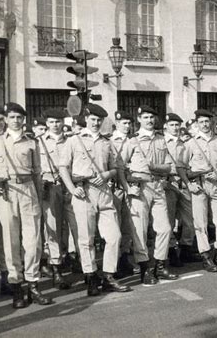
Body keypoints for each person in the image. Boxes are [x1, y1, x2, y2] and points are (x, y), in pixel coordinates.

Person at [59, 104, 131, 295]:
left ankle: (108, 276)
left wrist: (107, 174)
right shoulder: (74, 141)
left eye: (99, 120)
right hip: (84, 192)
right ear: (86, 119)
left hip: (104, 192)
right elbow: (63, 167)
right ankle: (91, 277)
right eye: (93, 119)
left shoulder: (107, 142)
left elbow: (116, 167)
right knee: (86, 239)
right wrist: (72, 189)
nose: (96, 123)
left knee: (114, 236)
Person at [0, 102, 52, 308]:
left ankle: (33, 284)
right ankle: (17, 287)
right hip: (7, 193)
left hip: (28, 190)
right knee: (10, 243)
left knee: (33, 242)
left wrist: (38, 197)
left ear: (24, 120)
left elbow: (37, 172)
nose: (16, 121)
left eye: (19, 117)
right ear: (6, 119)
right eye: (12, 117)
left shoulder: (32, 142)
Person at [123, 105, 179, 285]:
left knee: (164, 228)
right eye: (145, 117)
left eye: (151, 117)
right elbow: (119, 166)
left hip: (158, 186)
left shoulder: (161, 140)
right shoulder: (132, 141)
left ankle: (160, 265)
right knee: (139, 229)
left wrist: (157, 169)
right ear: (139, 119)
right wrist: (127, 185)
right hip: (140, 187)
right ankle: (145, 268)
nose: (149, 120)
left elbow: (170, 165)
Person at [184, 109, 217, 271]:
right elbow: (181, 166)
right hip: (199, 185)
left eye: (207, 122)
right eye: (201, 122)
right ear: (196, 124)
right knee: (201, 223)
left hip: (216, 185)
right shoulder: (190, 143)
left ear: (212, 123)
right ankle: (206, 256)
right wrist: (188, 183)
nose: (205, 125)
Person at [38, 108, 79, 290]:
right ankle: (56, 269)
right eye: (52, 122)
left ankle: (80, 261)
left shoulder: (72, 141)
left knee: (76, 225)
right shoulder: (38, 142)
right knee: (52, 228)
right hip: (50, 186)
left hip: (70, 186)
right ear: (46, 123)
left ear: (64, 122)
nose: (55, 125)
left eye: (58, 121)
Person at [163, 113, 200, 264]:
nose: (175, 128)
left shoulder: (184, 142)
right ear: (165, 126)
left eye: (177, 125)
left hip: (184, 183)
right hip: (169, 183)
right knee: (169, 220)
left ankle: (186, 248)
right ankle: (171, 251)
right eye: (172, 125)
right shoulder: (161, 142)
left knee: (189, 219)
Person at [110, 111, 135, 278]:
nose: (126, 126)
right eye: (123, 123)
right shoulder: (110, 141)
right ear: (117, 124)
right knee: (115, 224)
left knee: (128, 223)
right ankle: (115, 260)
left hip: (131, 185)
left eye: (128, 123)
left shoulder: (134, 140)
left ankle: (125, 256)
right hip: (116, 187)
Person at [0, 105, 11, 298]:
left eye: (1, 119)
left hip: (7, 196)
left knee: (7, 238)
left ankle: (7, 280)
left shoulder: (10, 140)